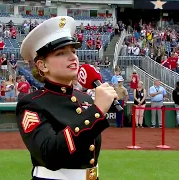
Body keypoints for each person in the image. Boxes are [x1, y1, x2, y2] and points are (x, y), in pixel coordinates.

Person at [16, 16, 118, 180]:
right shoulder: (32, 104)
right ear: (43, 65)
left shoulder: (84, 97)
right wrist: (96, 112)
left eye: (73, 51)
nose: (73, 57)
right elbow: (49, 155)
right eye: (61, 53)